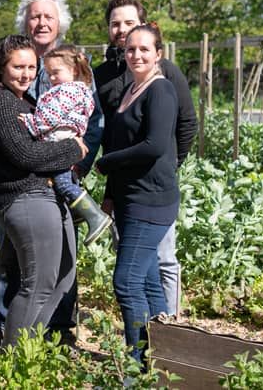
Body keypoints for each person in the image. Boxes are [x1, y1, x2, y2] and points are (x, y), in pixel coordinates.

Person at [0, 0, 104, 348]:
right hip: (22, 189)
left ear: (59, 24)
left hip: (58, 180)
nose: (41, 22)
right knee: (16, 267)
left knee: (58, 270)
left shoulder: (70, 64)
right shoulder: (6, 92)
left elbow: (92, 123)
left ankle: (53, 332)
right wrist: (65, 151)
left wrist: (75, 164)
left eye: (48, 16)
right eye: (35, 16)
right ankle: (4, 330)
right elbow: (22, 149)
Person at [0, 34, 86, 347]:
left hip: (48, 196)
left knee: (63, 278)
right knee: (39, 283)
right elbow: (25, 155)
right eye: (17, 67)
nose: (25, 73)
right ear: (1, 67)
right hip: (26, 197)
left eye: (31, 67)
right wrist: (73, 149)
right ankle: (15, 360)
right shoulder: (1, 101)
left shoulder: (25, 102)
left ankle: (30, 345)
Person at [93, 0, 197, 316]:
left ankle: (171, 325)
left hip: (152, 189)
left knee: (161, 260)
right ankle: (154, 336)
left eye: (129, 23)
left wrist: (167, 163)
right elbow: (108, 133)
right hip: (125, 188)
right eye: (115, 24)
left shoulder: (164, 73)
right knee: (144, 266)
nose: (122, 29)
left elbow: (186, 124)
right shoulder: (104, 76)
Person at [95, 23, 179, 364]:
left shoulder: (160, 91)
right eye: (131, 49)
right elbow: (120, 141)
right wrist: (111, 193)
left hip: (151, 200)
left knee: (126, 282)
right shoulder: (131, 88)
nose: (136, 54)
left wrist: (107, 163)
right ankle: (165, 358)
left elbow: (155, 145)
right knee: (146, 283)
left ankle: (136, 364)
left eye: (144, 49)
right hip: (129, 200)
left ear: (158, 54)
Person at [19, 44, 112, 246]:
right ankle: (77, 214)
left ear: (74, 70)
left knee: (63, 183)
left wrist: (28, 122)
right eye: (49, 74)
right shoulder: (78, 90)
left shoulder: (67, 92)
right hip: (65, 139)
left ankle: (95, 216)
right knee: (62, 182)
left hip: (60, 139)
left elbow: (49, 118)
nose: (52, 78)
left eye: (56, 73)